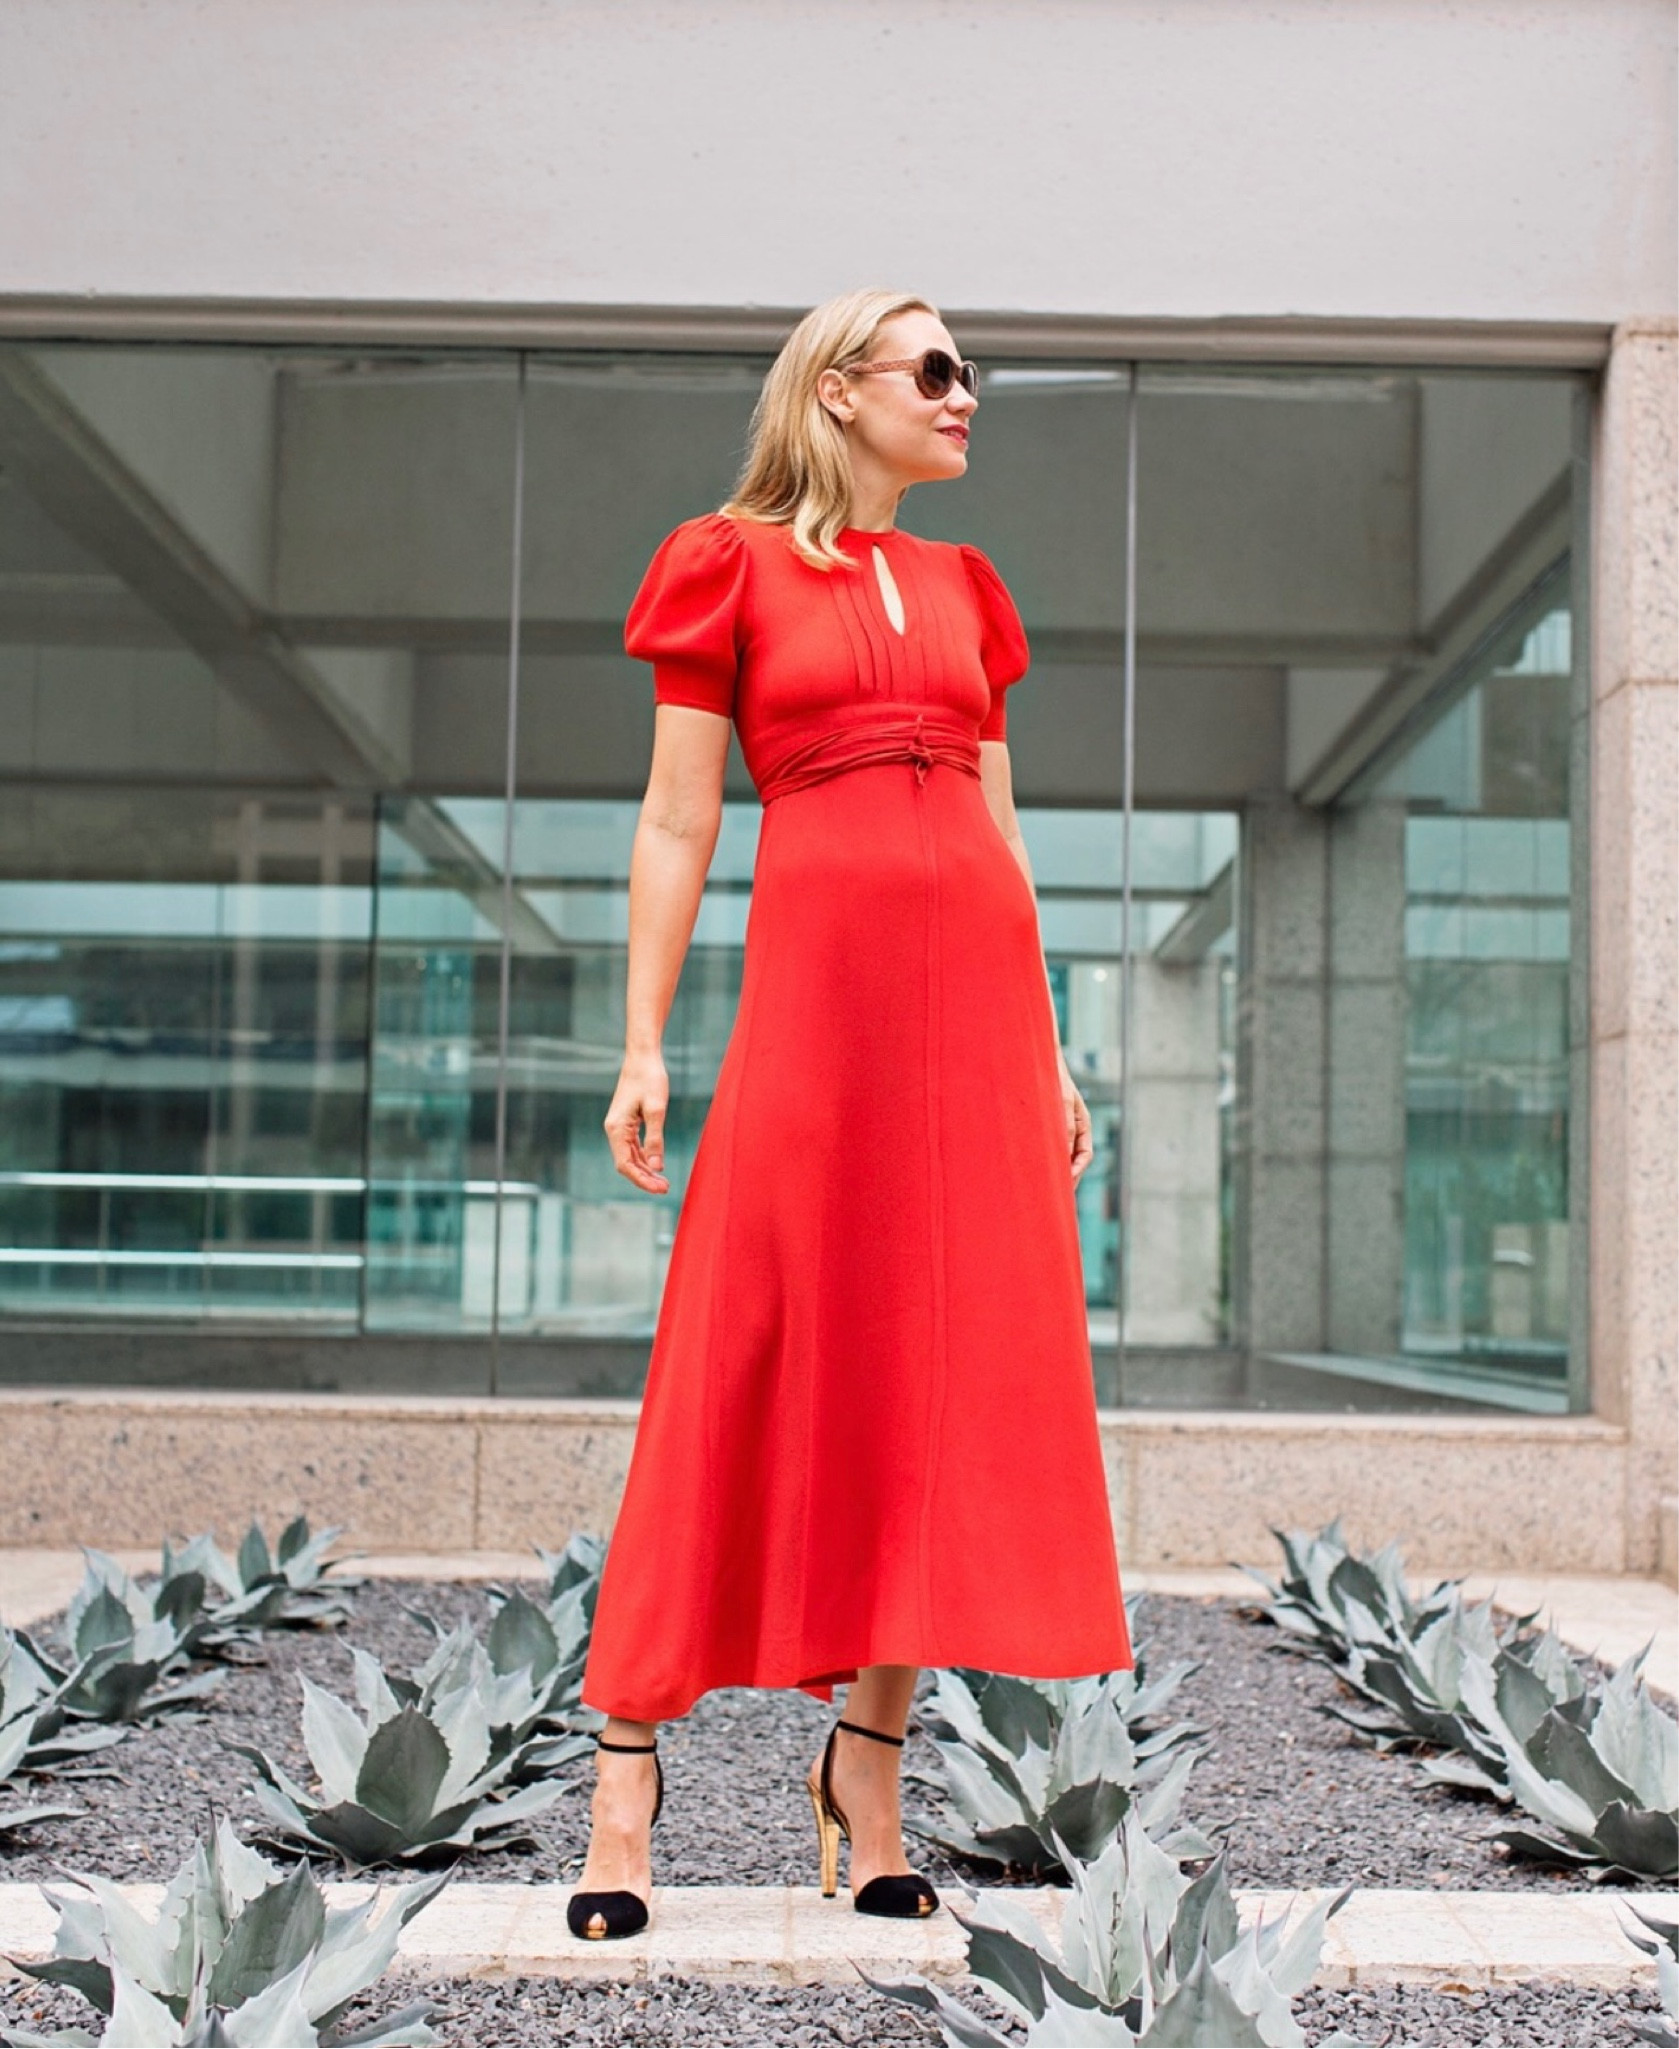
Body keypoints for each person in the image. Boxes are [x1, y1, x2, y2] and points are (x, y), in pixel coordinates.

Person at [566, 288, 1133, 1942]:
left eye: (969, 374)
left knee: (927, 1384)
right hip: (813, 1025)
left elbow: (1004, 843)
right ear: (836, 391)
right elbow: (679, 821)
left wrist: (1050, 1056)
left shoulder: (969, 591)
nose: (967, 398)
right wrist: (646, 1038)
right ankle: (623, 1781)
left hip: (972, 1034)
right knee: (733, 1347)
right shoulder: (724, 565)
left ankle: (865, 1778)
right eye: (937, 371)